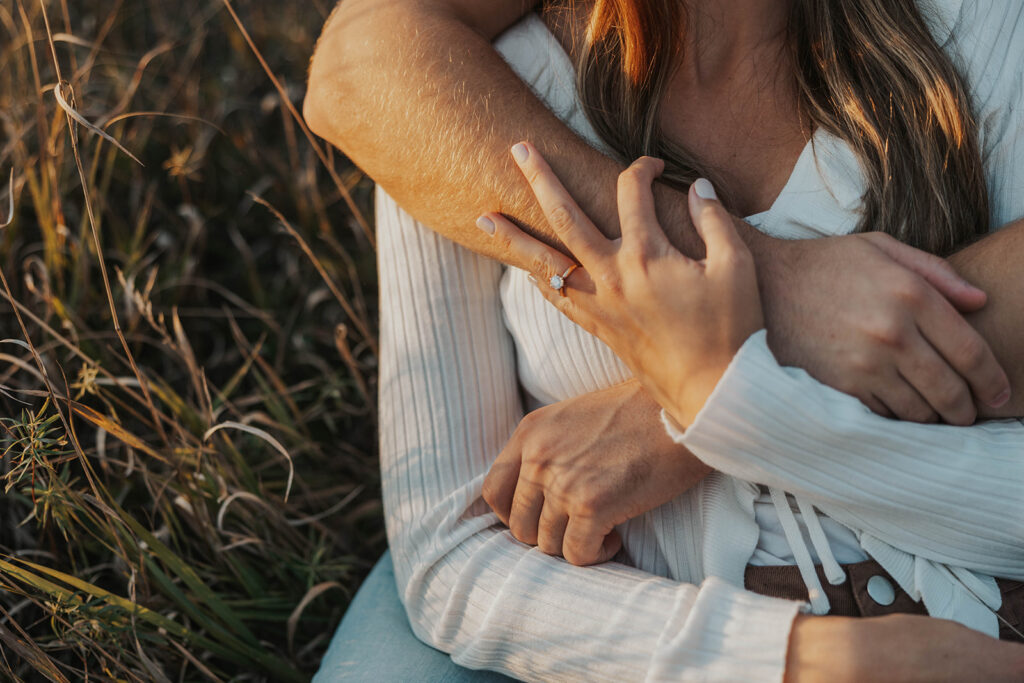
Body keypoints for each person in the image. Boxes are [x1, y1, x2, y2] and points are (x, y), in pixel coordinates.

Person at [306, 1, 1024, 680]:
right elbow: (453, 548)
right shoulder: (462, 93)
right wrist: (793, 660)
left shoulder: (971, 33)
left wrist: (708, 410)